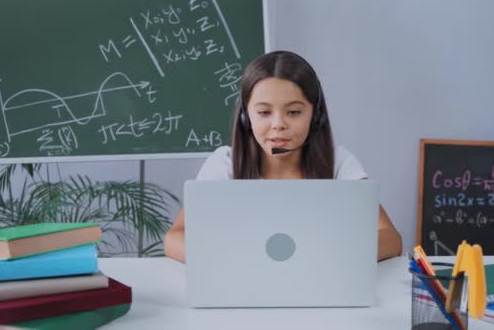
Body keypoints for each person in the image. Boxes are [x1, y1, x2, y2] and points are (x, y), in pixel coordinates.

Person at [165, 51, 402, 263]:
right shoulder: (226, 164)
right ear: (246, 117)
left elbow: (390, 238)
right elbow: (176, 237)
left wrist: (335, 254)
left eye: (294, 112)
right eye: (264, 112)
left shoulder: (338, 163)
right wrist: (229, 258)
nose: (278, 125)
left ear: (315, 116)